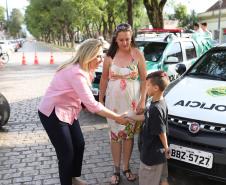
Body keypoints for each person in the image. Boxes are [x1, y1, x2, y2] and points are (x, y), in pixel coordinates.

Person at [38, 39, 128, 185]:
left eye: (102, 55)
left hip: (69, 111)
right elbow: (92, 105)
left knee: (79, 144)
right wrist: (116, 117)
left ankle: (73, 178)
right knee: (66, 154)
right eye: (98, 56)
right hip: (52, 113)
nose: (101, 59)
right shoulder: (76, 73)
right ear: (88, 55)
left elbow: (84, 97)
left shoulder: (86, 69)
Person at [99, 23, 146, 184]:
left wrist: (143, 100)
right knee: (114, 136)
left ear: (131, 37)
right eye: (121, 40)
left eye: (127, 39)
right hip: (113, 104)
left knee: (128, 136)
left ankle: (126, 167)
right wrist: (100, 101)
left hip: (132, 103)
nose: (125, 43)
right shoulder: (109, 56)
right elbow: (104, 79)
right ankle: (116, 169)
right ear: (115, 40)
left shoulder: (137, 54)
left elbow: (145, 80)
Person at [126, 71, 170, 185]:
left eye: (148, 85)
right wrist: (132, 116)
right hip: (157, 154)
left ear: (155, 88)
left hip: (152, 154)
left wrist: (166, 148)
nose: (146, 87)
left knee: (147, 180)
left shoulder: (156, 109)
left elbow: (161, 131)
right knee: (162, 179)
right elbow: (147, 117)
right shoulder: (158, 103)